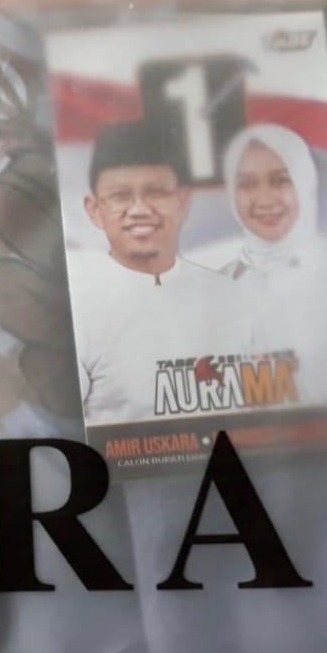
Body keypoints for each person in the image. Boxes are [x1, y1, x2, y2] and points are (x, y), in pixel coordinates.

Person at [69, 120, 253, 426]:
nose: (139, 210)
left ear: (182, 201)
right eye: (120, 196)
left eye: (155, 193)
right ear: (94, 209)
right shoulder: (76, 311)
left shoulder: (231, 297)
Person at [221, 123, 327, 406]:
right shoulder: (219, 286)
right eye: (247, 184)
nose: (264, 200)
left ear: (305, 182)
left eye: (280, 180)